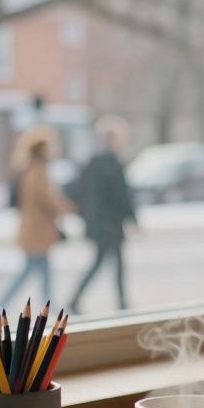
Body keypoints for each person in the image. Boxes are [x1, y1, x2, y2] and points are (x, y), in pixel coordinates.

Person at [67, 116, 137, 314]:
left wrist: (86, 217)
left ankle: (79, 299)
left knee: (105, 262)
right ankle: (120, 302)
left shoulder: (92, 162)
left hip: (98, 223)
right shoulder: (112, 164)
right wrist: (133, 219)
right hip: (111, 223)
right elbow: (122, 196)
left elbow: (78, 192)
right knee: (110, 262)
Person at [0, 126, 74, 308]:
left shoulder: (29, 169)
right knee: (30, 270)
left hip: (35, 230)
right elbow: (45, 198)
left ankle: (48, 304)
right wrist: (65, 207)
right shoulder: (37, 171)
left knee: (40, 269)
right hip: (37, 230)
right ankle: (2, 305)